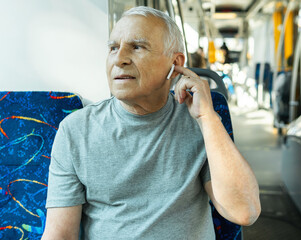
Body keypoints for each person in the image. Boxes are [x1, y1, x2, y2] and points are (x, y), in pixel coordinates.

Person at [42, 6, 260, 240]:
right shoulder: (75, 131)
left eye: (137, 47)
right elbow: (60, 235)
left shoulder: (199, 122)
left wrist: (208, 118)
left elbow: (244, 211)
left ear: (175, 64)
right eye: (113, 48)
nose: (120, 59)